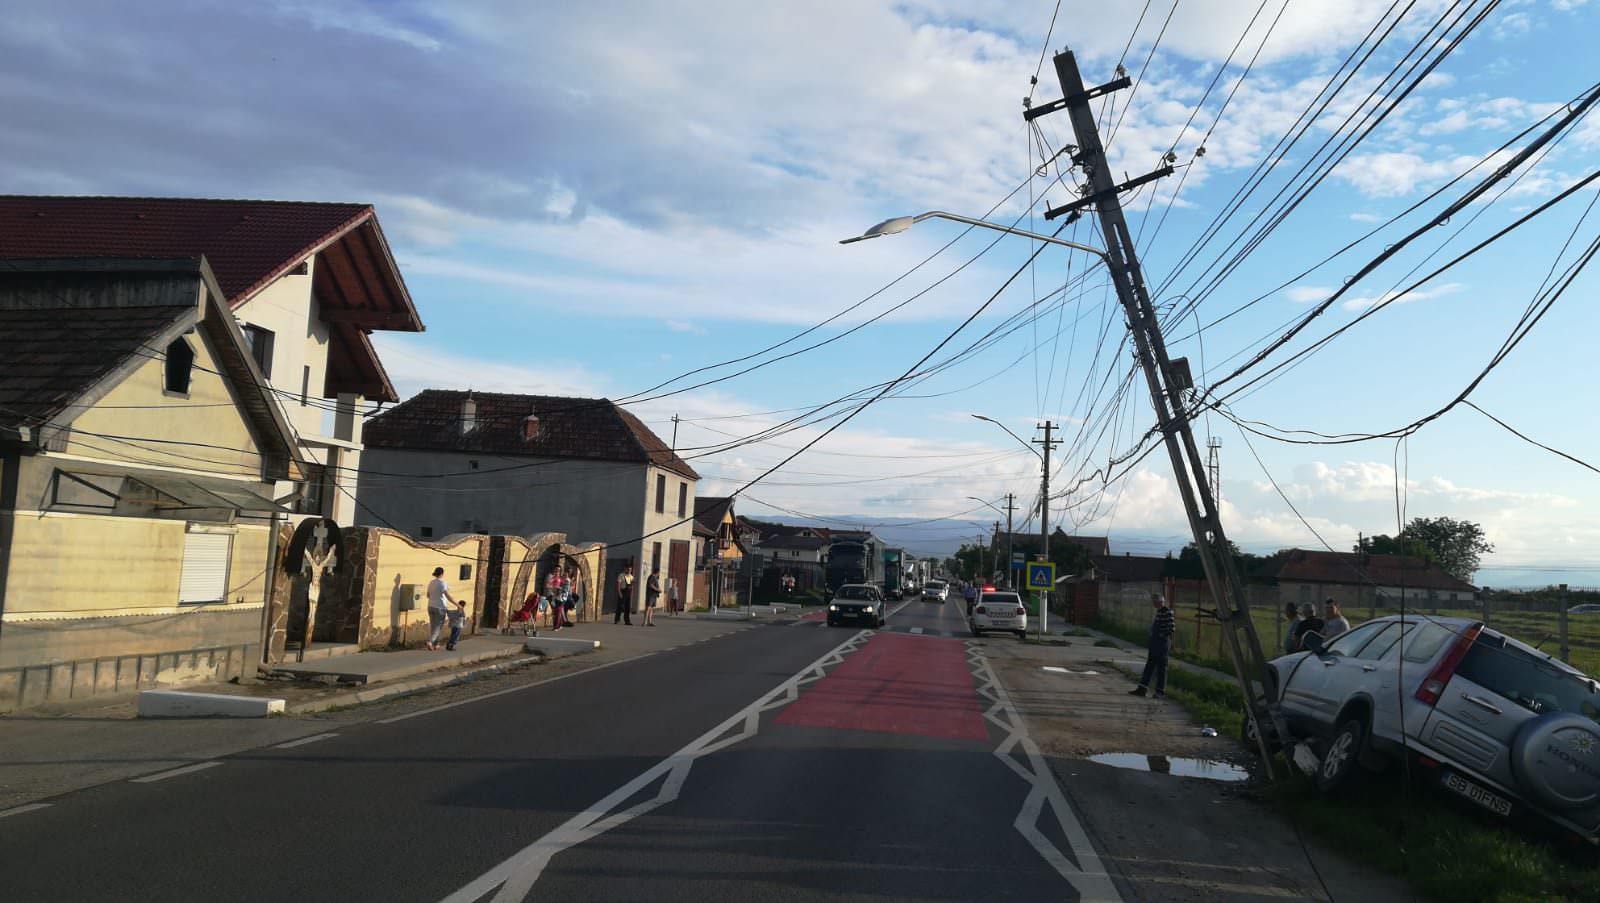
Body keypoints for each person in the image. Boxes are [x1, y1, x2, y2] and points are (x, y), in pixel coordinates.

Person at [1130, 593, 1176, 698]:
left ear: (1160, 602)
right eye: (1153, 602)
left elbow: (1171, 629)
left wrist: (1161, 636)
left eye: (1155, 602)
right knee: (1149, 666)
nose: (1154, 604)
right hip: (1155, 643)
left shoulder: (1167, 612)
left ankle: (1160, 692)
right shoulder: (1159, 612)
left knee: (1161, 668)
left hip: (1162, 643)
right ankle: (1142, 688)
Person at [425, 566, 459, 651]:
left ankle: (436, 645)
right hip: (440, 608)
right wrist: (457, 604)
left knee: (434, 627)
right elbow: (447, 596)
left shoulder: (431, 582)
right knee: (438, 627)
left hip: (430, 606)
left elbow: (428, 595)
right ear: (442, 574)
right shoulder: (442, 583)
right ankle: (430, 642)